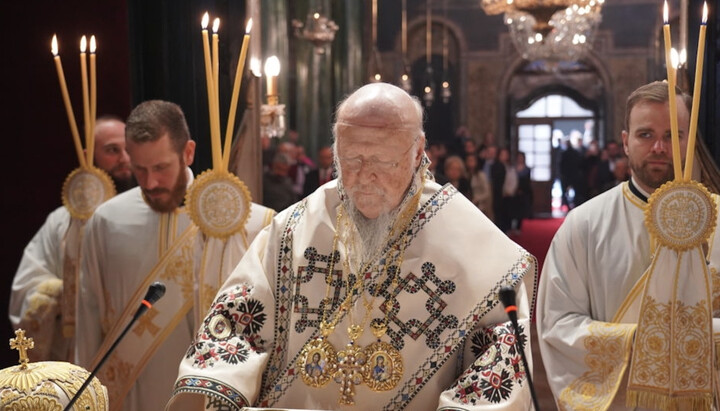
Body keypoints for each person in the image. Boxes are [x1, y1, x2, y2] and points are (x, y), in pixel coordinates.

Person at [168, 83, 536, 410]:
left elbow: (501, 357)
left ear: (418, 150)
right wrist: (222, 384)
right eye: (351, 159)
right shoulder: (293, 229)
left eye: (381, 161)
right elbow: (237, 322)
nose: (364, 176)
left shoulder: (476, 247)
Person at [76, 100, 275, 411]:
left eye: (160, 167)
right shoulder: (106, 221)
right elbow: (89, 317)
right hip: (131, 398)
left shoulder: (249, 224)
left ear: (188, 153)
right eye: (139, 169)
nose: (150, 182)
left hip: (210, 396)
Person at [536, 81, 720, 409]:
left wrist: (702, 337)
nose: (659, 148)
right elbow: (557, 323)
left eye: (673, 135)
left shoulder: (718, 219)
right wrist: (637, 341)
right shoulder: (584, 225)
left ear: (689, 140)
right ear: (625, 141)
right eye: (645, 135)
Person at [9, 116, 134, 362]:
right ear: (88, 156)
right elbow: (26, 289)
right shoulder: (62, 222)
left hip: (131, 345)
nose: (125, 159)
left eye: (129, 150)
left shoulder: (145, 216)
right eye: (112, 150)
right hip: (75, 349)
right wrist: (66, 292)